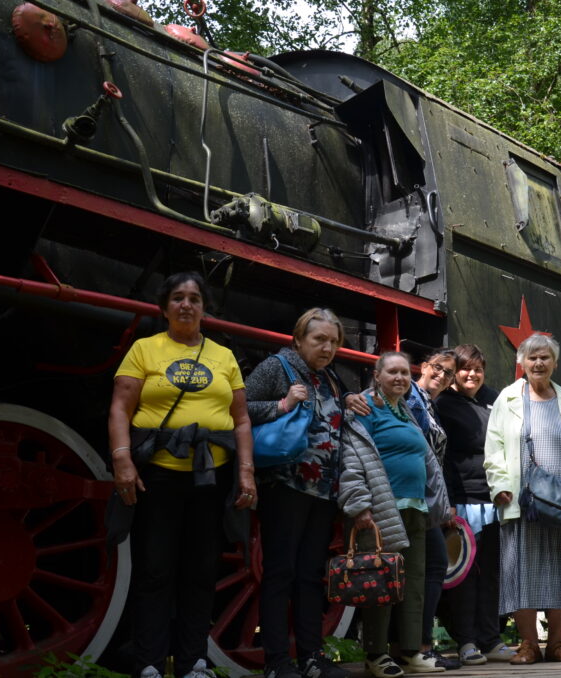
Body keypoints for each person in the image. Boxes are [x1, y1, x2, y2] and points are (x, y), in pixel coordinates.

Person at [108, 271, 256, 678]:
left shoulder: (223, 357)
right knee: (155, 566)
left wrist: (246, 472)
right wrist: (122, 459)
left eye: (194, 298)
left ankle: (194, 661)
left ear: (205, 308)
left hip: (210, 477)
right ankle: (150, 663)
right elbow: (120, 407)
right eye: (177, 298)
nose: (186, 304)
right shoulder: (144, 349)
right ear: (165, 307)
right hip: (158, 474)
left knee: (201, 568)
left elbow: (240, 419)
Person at [245, 308, 351, 678]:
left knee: (309, 575)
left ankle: (311, 658)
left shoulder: (332, 379)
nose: (327, 347)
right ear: (298, 339)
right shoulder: (277, 367)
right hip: (286, 485)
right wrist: (283, 404)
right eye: (319, 339)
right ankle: (276, 662)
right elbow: (239, 408)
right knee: (280, 571)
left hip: (323, 491)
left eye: (334, 341)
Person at [484, 333, 561, 665]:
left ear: (555, 363)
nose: (538, 363)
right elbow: (494, 450)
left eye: (545, 358)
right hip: (523, 498)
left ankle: (558, 644)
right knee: (522, 570)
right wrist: (500, 485)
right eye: (532, 357)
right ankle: (528, 645)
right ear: (522, 362)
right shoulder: (507, 400)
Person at [349, 352, 450, 677]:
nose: (400, 378)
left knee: (413, 584)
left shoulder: (404, 410)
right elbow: (352, 458)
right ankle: (376, 655)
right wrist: (360, 505)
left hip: (416, 508)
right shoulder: (366, 408)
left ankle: (409, 652)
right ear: (377, 375)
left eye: (405, 373)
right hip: (383, 508)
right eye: (392, 372)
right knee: (380, 582)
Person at [435, 344, 512, 665]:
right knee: (463, 574)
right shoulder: (443, 405)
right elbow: (441, 457)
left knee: (492, 573)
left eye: (478, 369)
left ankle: (491, 638)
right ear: (455, 373)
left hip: (496, 500)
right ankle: (466, 641)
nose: (472, 375)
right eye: (466, 369)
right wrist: (449, 502)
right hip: (463, 502)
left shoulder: (495, 399)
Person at [407, 349, 461, 671]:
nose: (441, 376)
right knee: (429, 567)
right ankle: (419, 646)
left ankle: (418, 645)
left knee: (430, 568)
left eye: (448, 374)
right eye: (438, 368)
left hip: (428, 498)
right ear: (424, 367)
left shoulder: (429, 405)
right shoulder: (413, 398)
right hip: (416, 497)